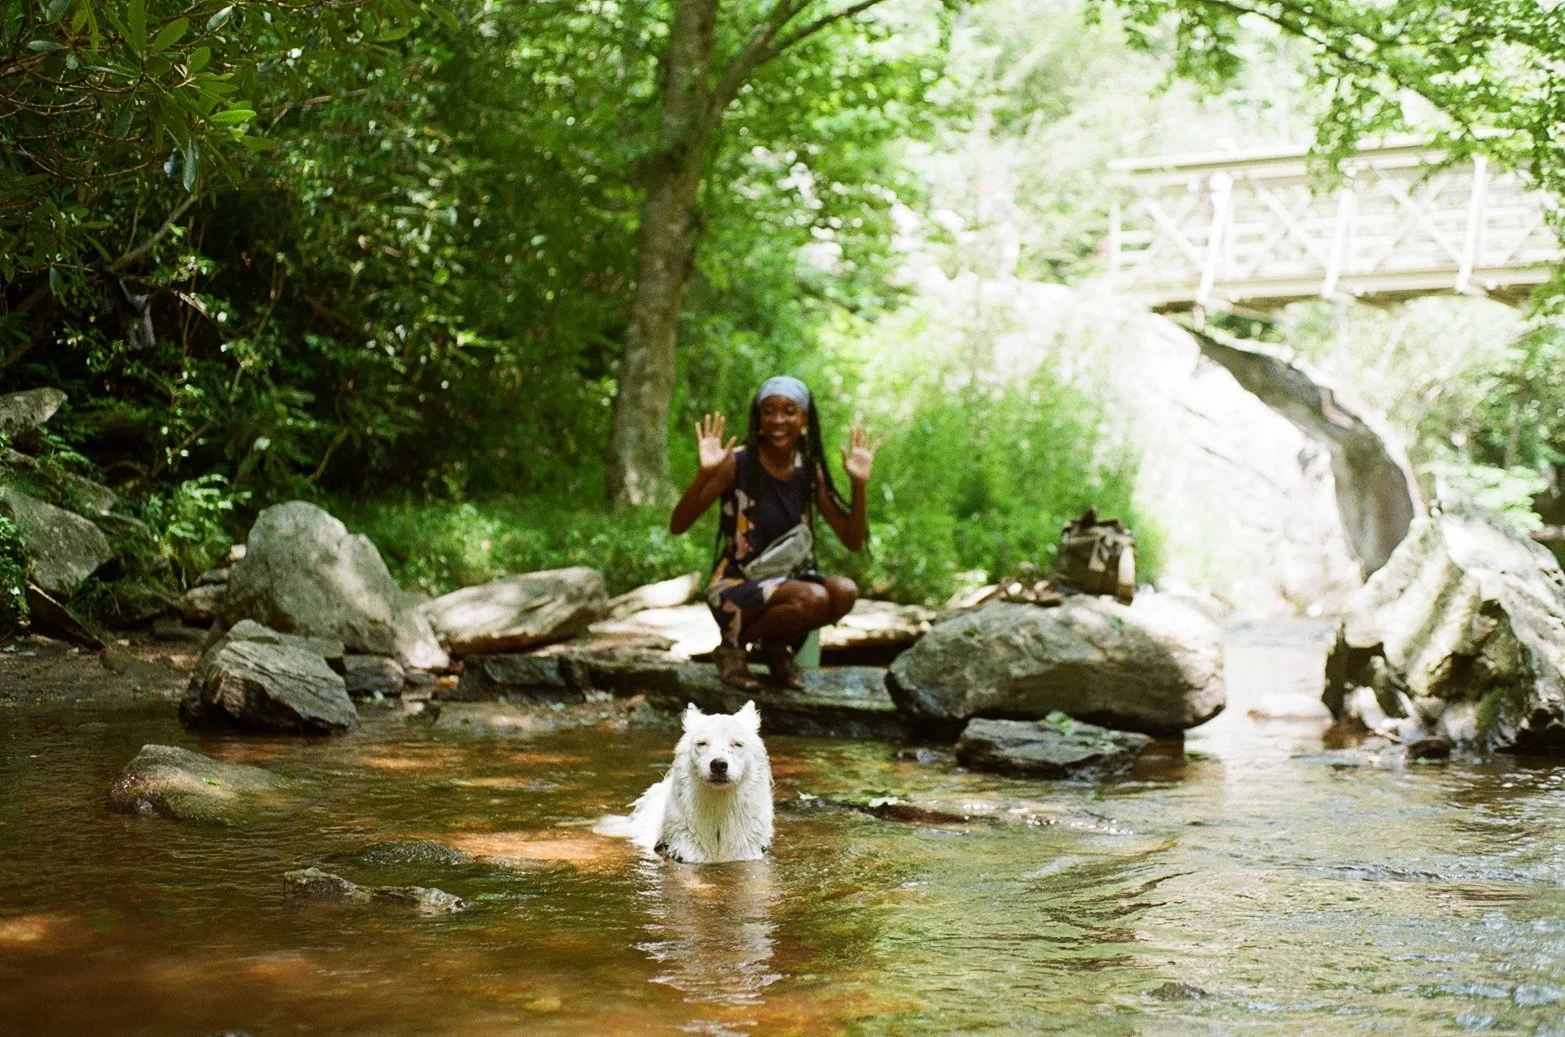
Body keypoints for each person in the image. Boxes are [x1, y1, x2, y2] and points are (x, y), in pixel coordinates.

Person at [669, 375, 881, 691]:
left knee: (844, 591)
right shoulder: (737, 463)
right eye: (768, 411)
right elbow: (678, 524)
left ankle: (773, 646)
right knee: (813, 595)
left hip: (790, 586)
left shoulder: (809, 471)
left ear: (804, 418)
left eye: (789, 411)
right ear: (759, 418)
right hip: (735, 588)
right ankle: (734, 649)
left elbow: (852, 540)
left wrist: (859, 485)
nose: (778, 420)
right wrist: (704, 475)